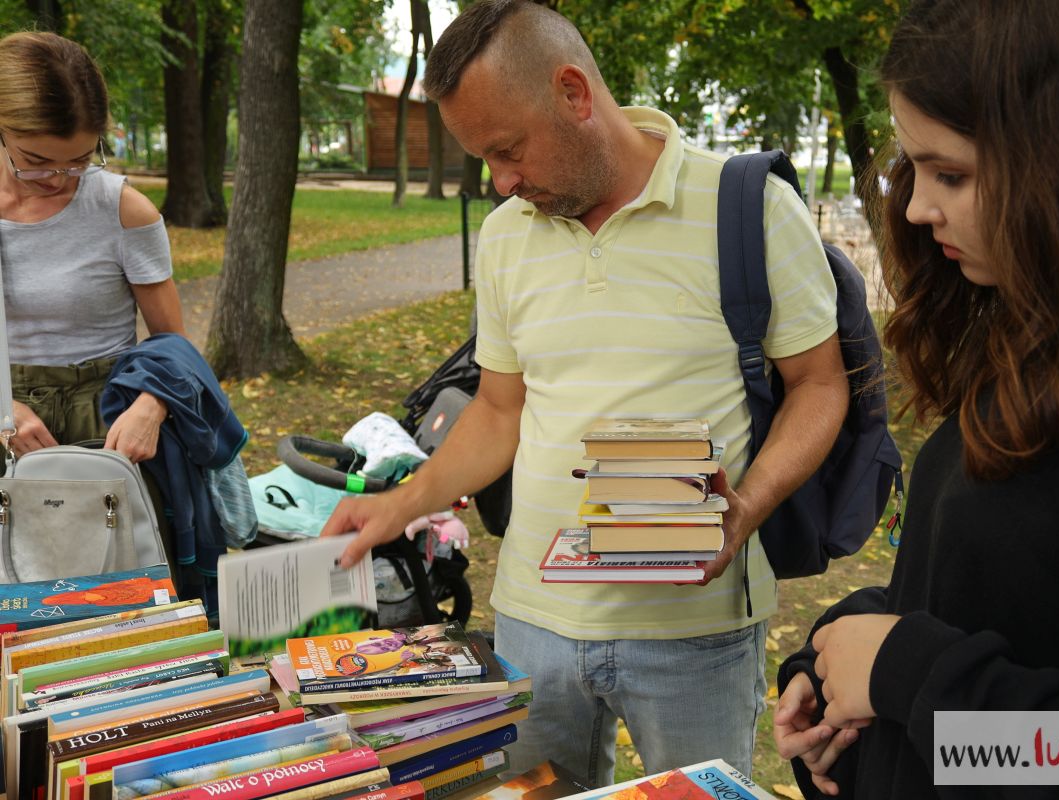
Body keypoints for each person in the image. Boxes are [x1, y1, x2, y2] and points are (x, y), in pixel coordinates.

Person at [322, 0, 849, 784]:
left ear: (574, 94)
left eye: (507, 150)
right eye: (484, 163)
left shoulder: (750, 208)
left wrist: (751, 503)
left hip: (695, 631)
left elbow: (819, 386)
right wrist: (399, 505)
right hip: (533, 622)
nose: (501, 182)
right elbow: (501, 409)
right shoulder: (505, 237)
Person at [773, 1, 1059, 797]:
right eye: (915, 168)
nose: (915, 208)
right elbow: (1009, 601)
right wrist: (842, 658)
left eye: (953, 175)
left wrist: (907, 674)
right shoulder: (1053, 337)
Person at [0, 31, 184, 462]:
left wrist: (151, 406)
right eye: (36, 161)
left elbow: (174, 343)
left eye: (81, 160)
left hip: (105, 425)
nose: (59, 178)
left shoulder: (123, 210)